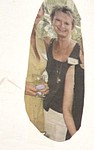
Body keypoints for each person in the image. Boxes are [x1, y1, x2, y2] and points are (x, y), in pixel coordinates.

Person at [44, 6, 84, 141]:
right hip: (43, 110)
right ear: (52, 21)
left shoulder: (80, 52)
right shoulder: (47, 44)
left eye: (67, 23)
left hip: (65, 118)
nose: (62, 26)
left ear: (73, 27)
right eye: (58, 20)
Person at [24, 4, 48, 133]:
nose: (36, 12)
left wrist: (44, 84)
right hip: (20, 105)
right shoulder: (13, 37)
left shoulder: (40, 40)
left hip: (37, 105)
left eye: (39, 8)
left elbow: (38, 70)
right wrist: (21, 86)